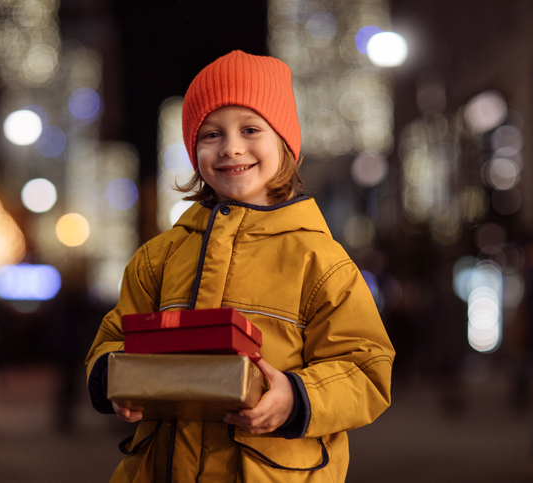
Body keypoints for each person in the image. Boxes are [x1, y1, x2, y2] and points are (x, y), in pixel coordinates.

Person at [85, 50, 394, 482]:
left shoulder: (320, 261)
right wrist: (116, 377)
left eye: (251, 129)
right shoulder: (158, 257)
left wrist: (295, 397)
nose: (231, 147)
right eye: (211, 134)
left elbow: (365, 368)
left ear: (284, 143)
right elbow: (113, 338)